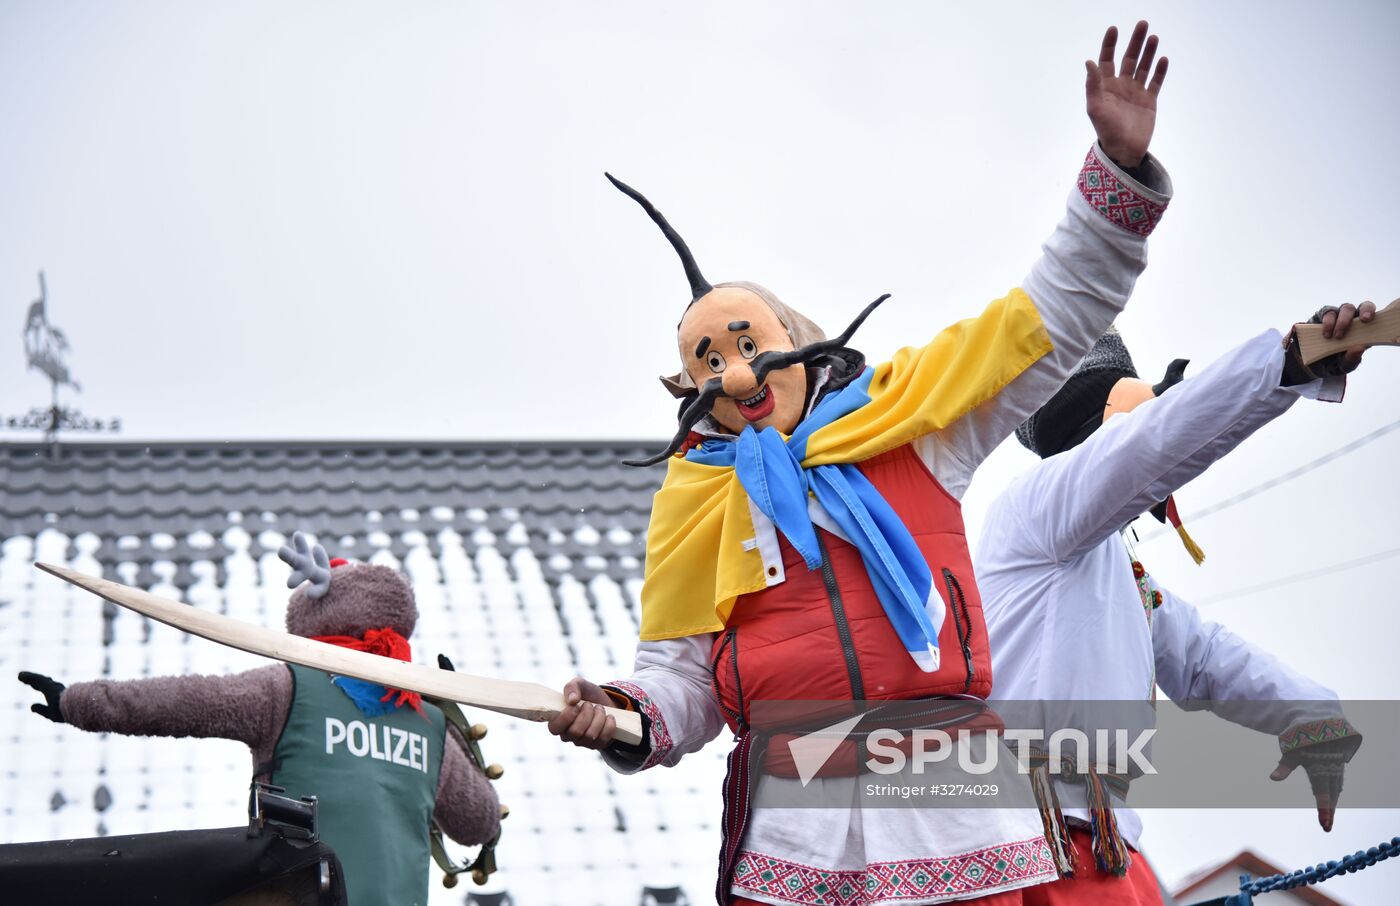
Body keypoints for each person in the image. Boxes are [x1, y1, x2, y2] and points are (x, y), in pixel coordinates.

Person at [552, 22, 1176, 905]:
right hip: (798, 816)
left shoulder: (912, 427)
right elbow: (682, 680)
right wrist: (624, 714)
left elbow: (1044, 324)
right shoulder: (695, 499)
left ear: (798, 346)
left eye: (744, 342)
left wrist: (1112, 174)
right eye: (704, 363)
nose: (731, 372)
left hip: (954, 804)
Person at [976, 307, 1374, 904]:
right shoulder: (1035, 507)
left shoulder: (1118, 568)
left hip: (1097, 844)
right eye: (1152, 413)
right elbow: (1155, 445)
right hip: (1031, 838)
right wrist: (1287, 361)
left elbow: (1203, 655)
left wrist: (1310, 716)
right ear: (1103, 433)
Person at [18, 533, 502, 906]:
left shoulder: (288, 688)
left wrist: (77, 702)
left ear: (312, 617)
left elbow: (185, 702)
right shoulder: (430, 722)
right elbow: (479, 823)